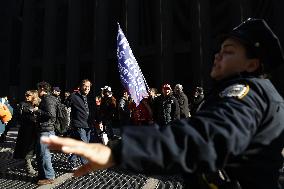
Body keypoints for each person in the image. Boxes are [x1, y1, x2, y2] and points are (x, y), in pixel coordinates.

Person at [42, 18, 284, 189]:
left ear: (253, 64)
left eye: (228, 51)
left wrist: (121, 150)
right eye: (219, 49)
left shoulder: (247, 93)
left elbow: (206, 137)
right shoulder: (246, 92)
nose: (218, 55)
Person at [33, 81, 58, 185]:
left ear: (42, 89)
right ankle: (44, 175)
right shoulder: (48, 99)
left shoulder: (48, 99)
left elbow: (51, 115)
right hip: (45, 129)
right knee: (41, 154)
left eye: (38, 89)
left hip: (47, 130)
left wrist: (37, 110)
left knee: (45, 154)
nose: (38, 91)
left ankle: (49, 177)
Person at [13, 90, 41, 175]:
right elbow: (18, 117)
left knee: (35, 148)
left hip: (36, 129)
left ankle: (31, 163)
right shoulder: (23, 105)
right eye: (26, 95)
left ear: (34, 96)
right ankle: (28, 167)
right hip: (26, 130)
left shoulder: (38, 104)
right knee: (27, 149)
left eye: (28, 95)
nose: (26, 96)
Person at [66, 79, 92, 167]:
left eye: (88, 86)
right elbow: (65, 106)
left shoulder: (90, 97)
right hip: (79, 124)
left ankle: (72, 159)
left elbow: (94, 110)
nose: (87, 88)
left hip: (89, 124)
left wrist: (99, 121)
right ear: (80, 86)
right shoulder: (74, 96)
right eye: (85, 86)